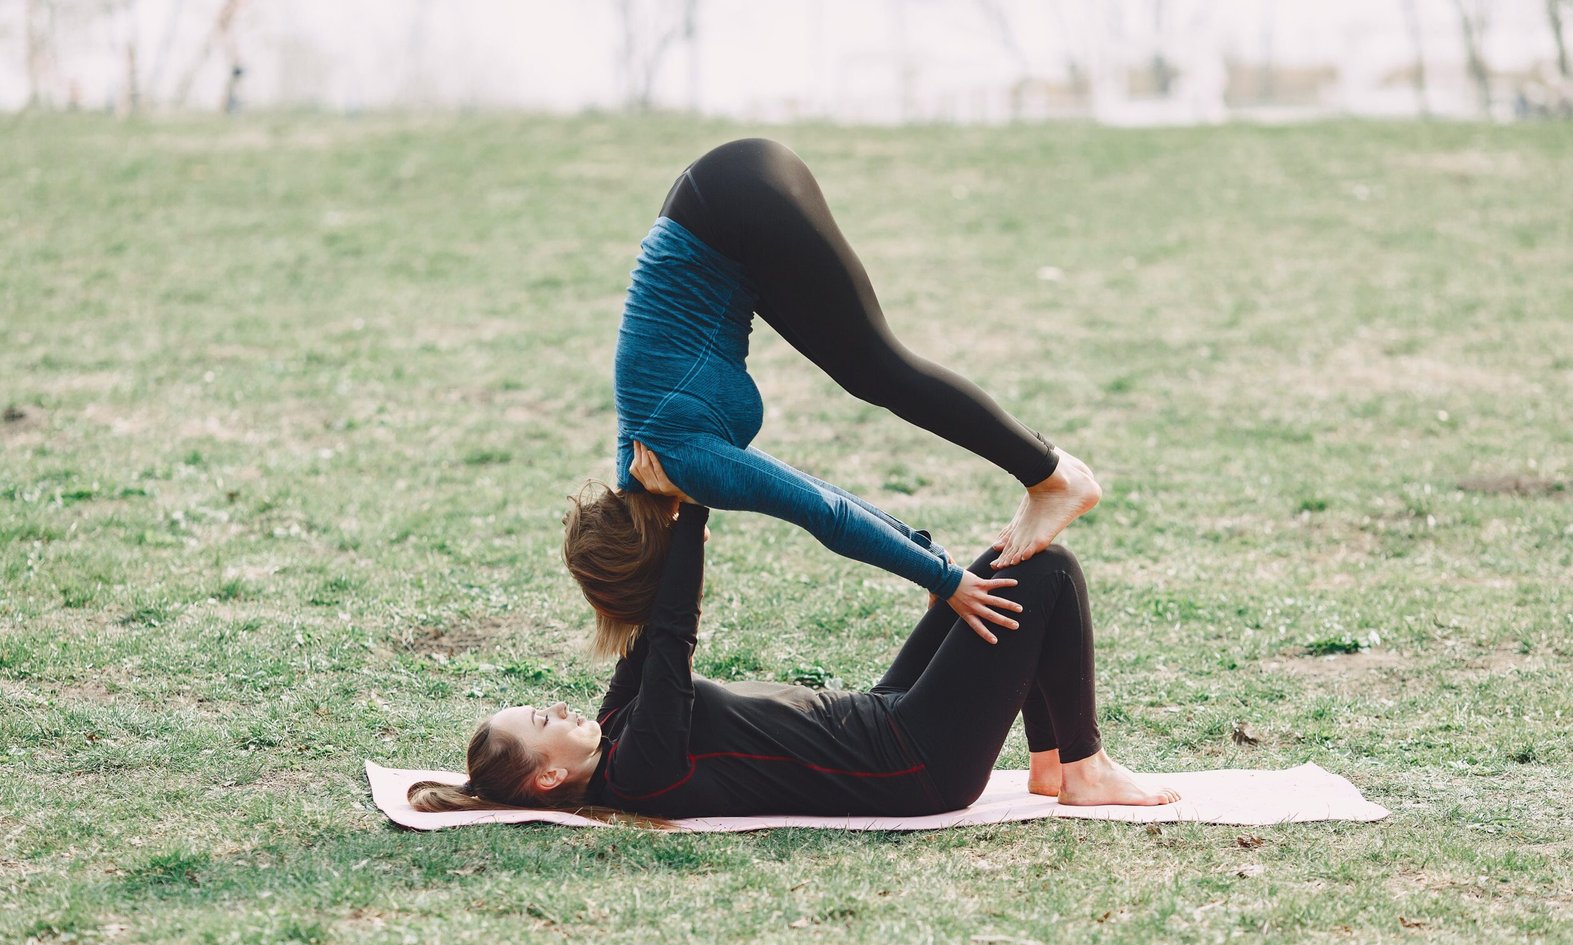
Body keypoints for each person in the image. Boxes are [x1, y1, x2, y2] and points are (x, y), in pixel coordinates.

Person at [567, 138, 1101, 658]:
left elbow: (826, 512)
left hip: (737, 203)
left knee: (879, 369)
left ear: (661, 555)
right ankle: (1046, 473)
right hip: (725, 198)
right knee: (867, 372)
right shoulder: (644, 466)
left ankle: (1052, 475)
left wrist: (946, 579)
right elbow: (816, 492)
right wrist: (932, 558)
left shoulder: (684, 466)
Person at [410, 486, 1178, 819]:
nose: (565, 706)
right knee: (1044, 575)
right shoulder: (638, 769)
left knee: (1000, 566)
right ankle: (1081, 767)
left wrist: (662, 496)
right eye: (547, 716)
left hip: (881, 716)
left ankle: (1051, 762)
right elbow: (674, 640)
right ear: (548, 774)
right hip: (913, 763)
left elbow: (647, 626)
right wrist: (697, 505)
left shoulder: (615, 727)